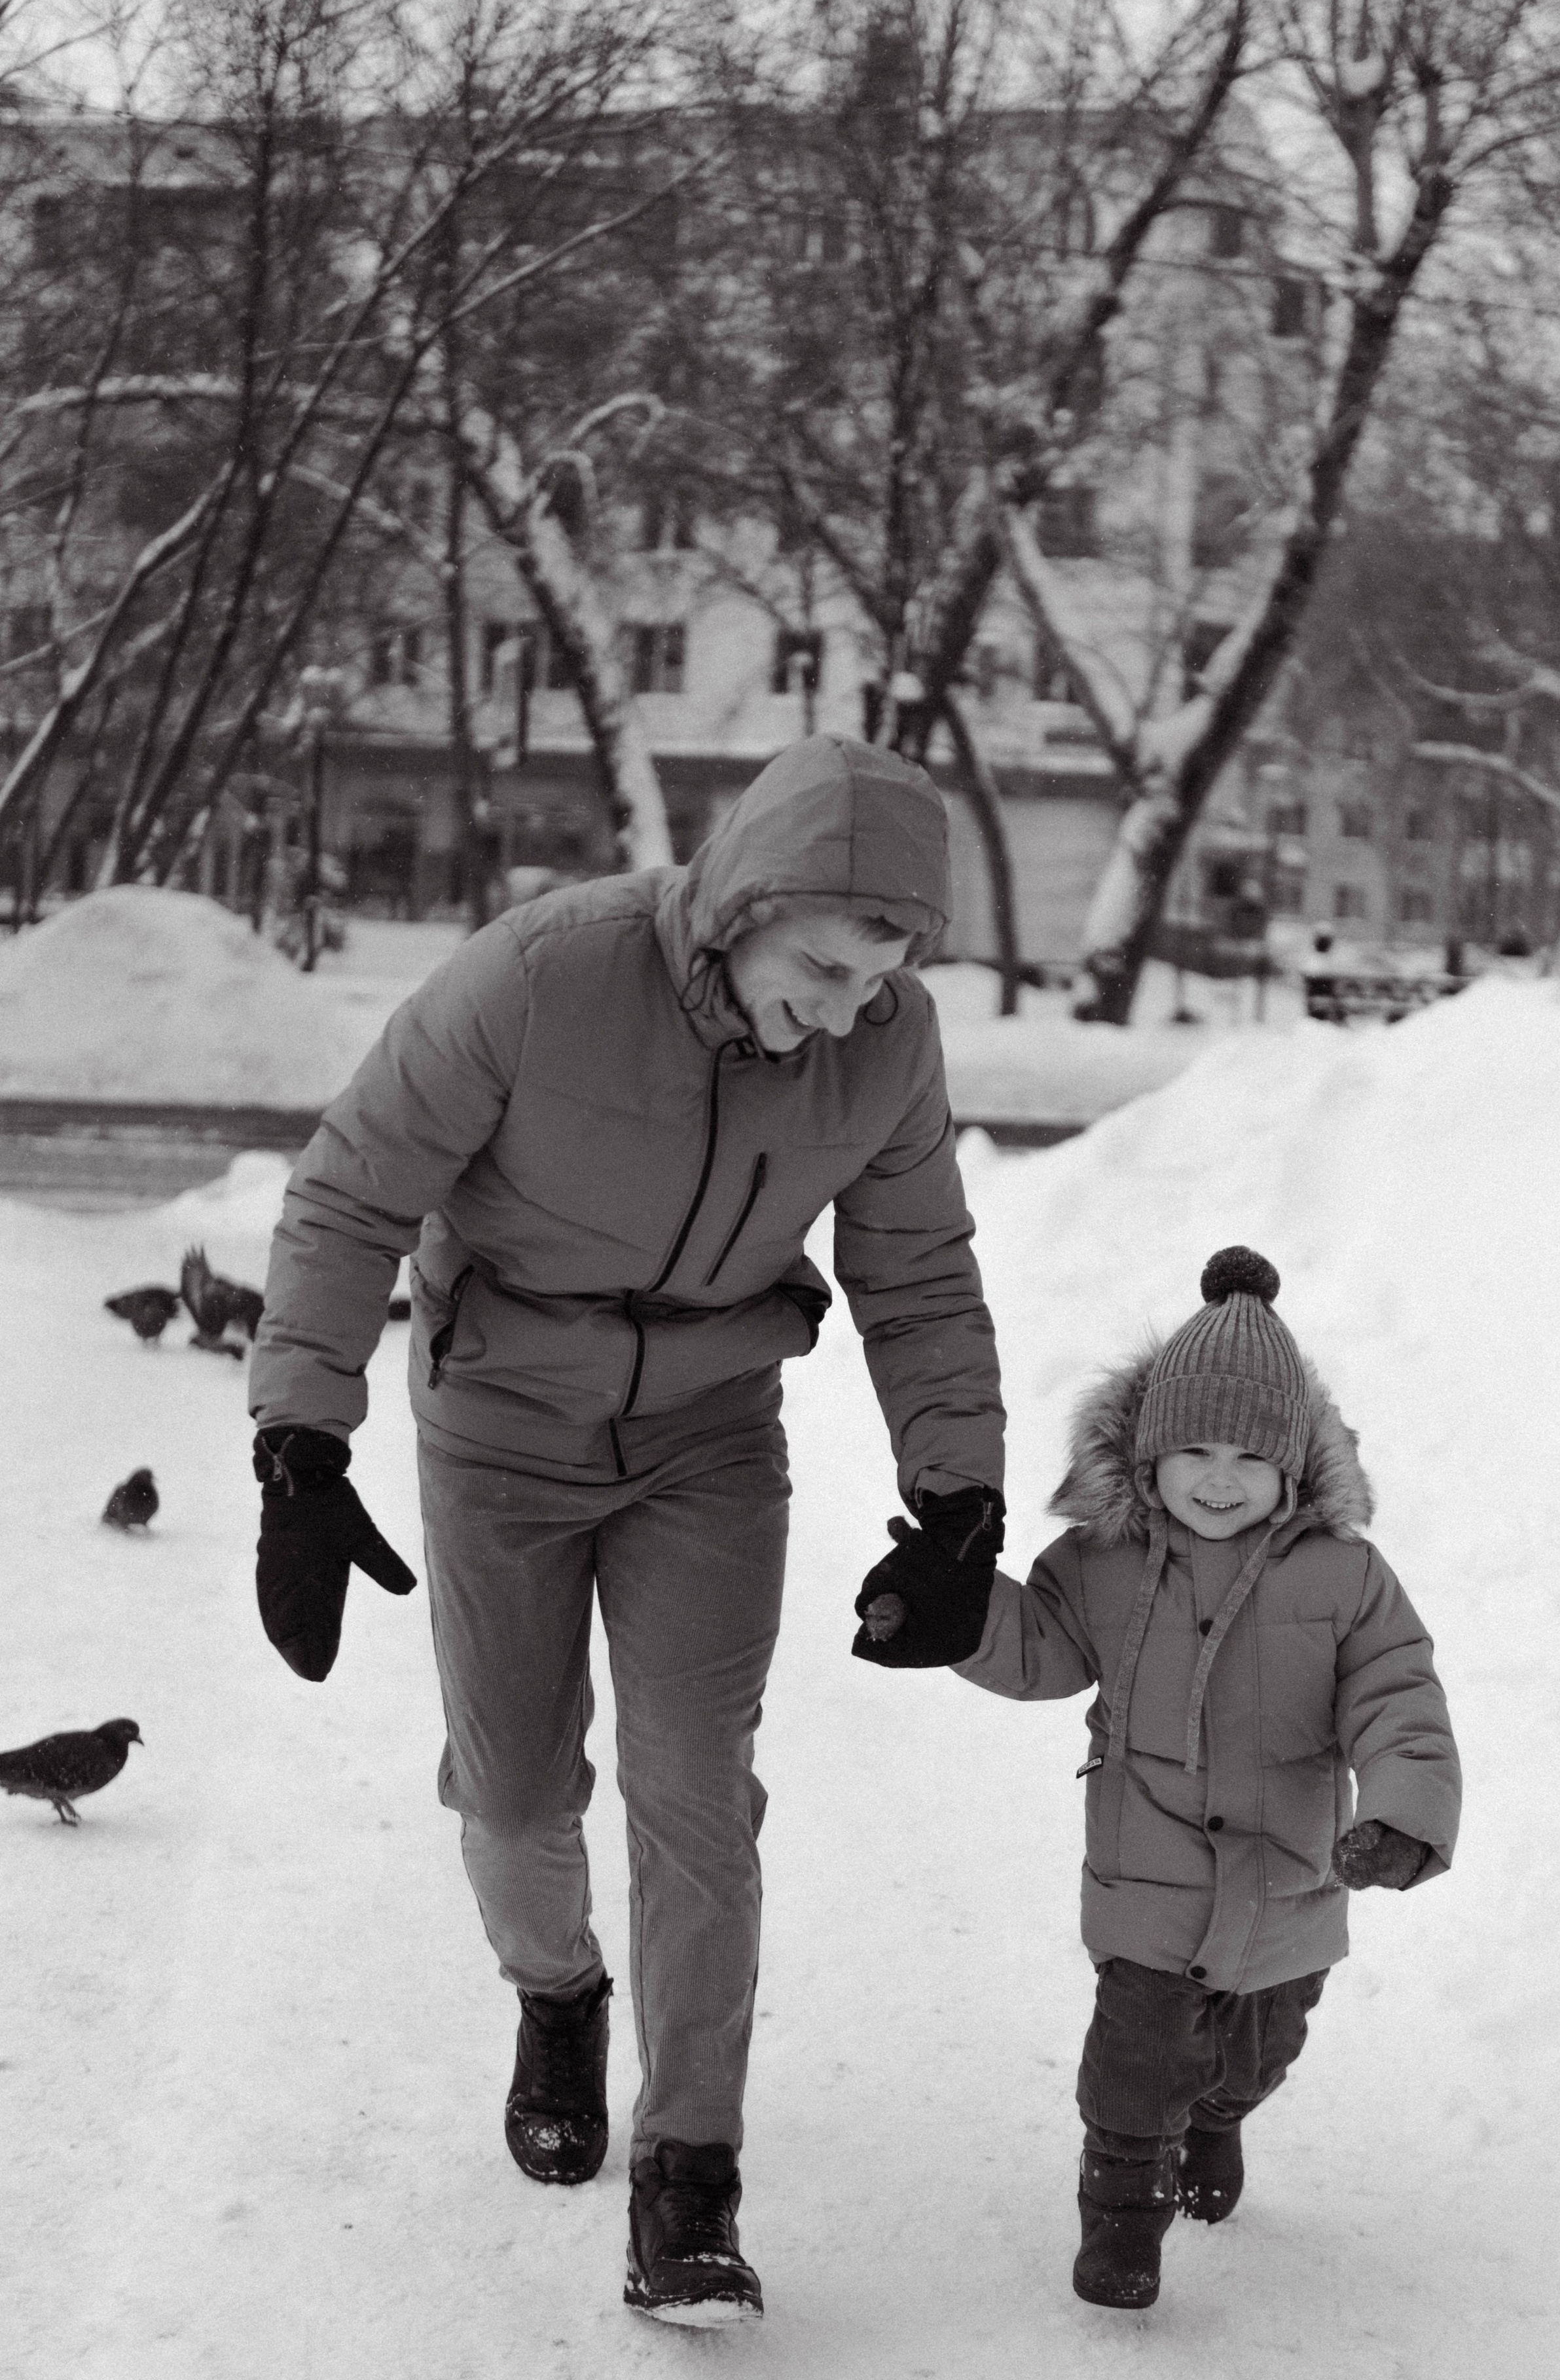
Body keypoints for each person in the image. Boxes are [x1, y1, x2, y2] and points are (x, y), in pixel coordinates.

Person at [247, 734, 1006, 2328]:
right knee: (518, 1786)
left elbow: (917, 1273)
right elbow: (353, 1191)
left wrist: (958, 1493)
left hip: (707, 1437)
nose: (845, 1010)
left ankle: (689, 2177)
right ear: (738, 902)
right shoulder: (540, 977)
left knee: (694, 1795)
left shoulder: (887, 1047)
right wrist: (301, 1443)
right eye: (820, 967)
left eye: (880, 977)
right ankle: (556, 1991)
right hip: (503, 1416)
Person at [854, 1244, 1459, 2311]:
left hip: (1289, 1877)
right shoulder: (1104, 1558)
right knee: (1136, 2063)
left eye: (1247, 1457)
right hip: (1149, 1864)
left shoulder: (1345, 1577)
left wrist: (1404, 1819)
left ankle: (1218, 2120)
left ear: (1294, 1468)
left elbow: (1397, 1700)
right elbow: (1039, 1647)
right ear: (1147, 1454)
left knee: (1255, 2056)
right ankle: (1123, 2221)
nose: (1219, 1480)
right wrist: (955, 1612)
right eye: (1194, 1450)